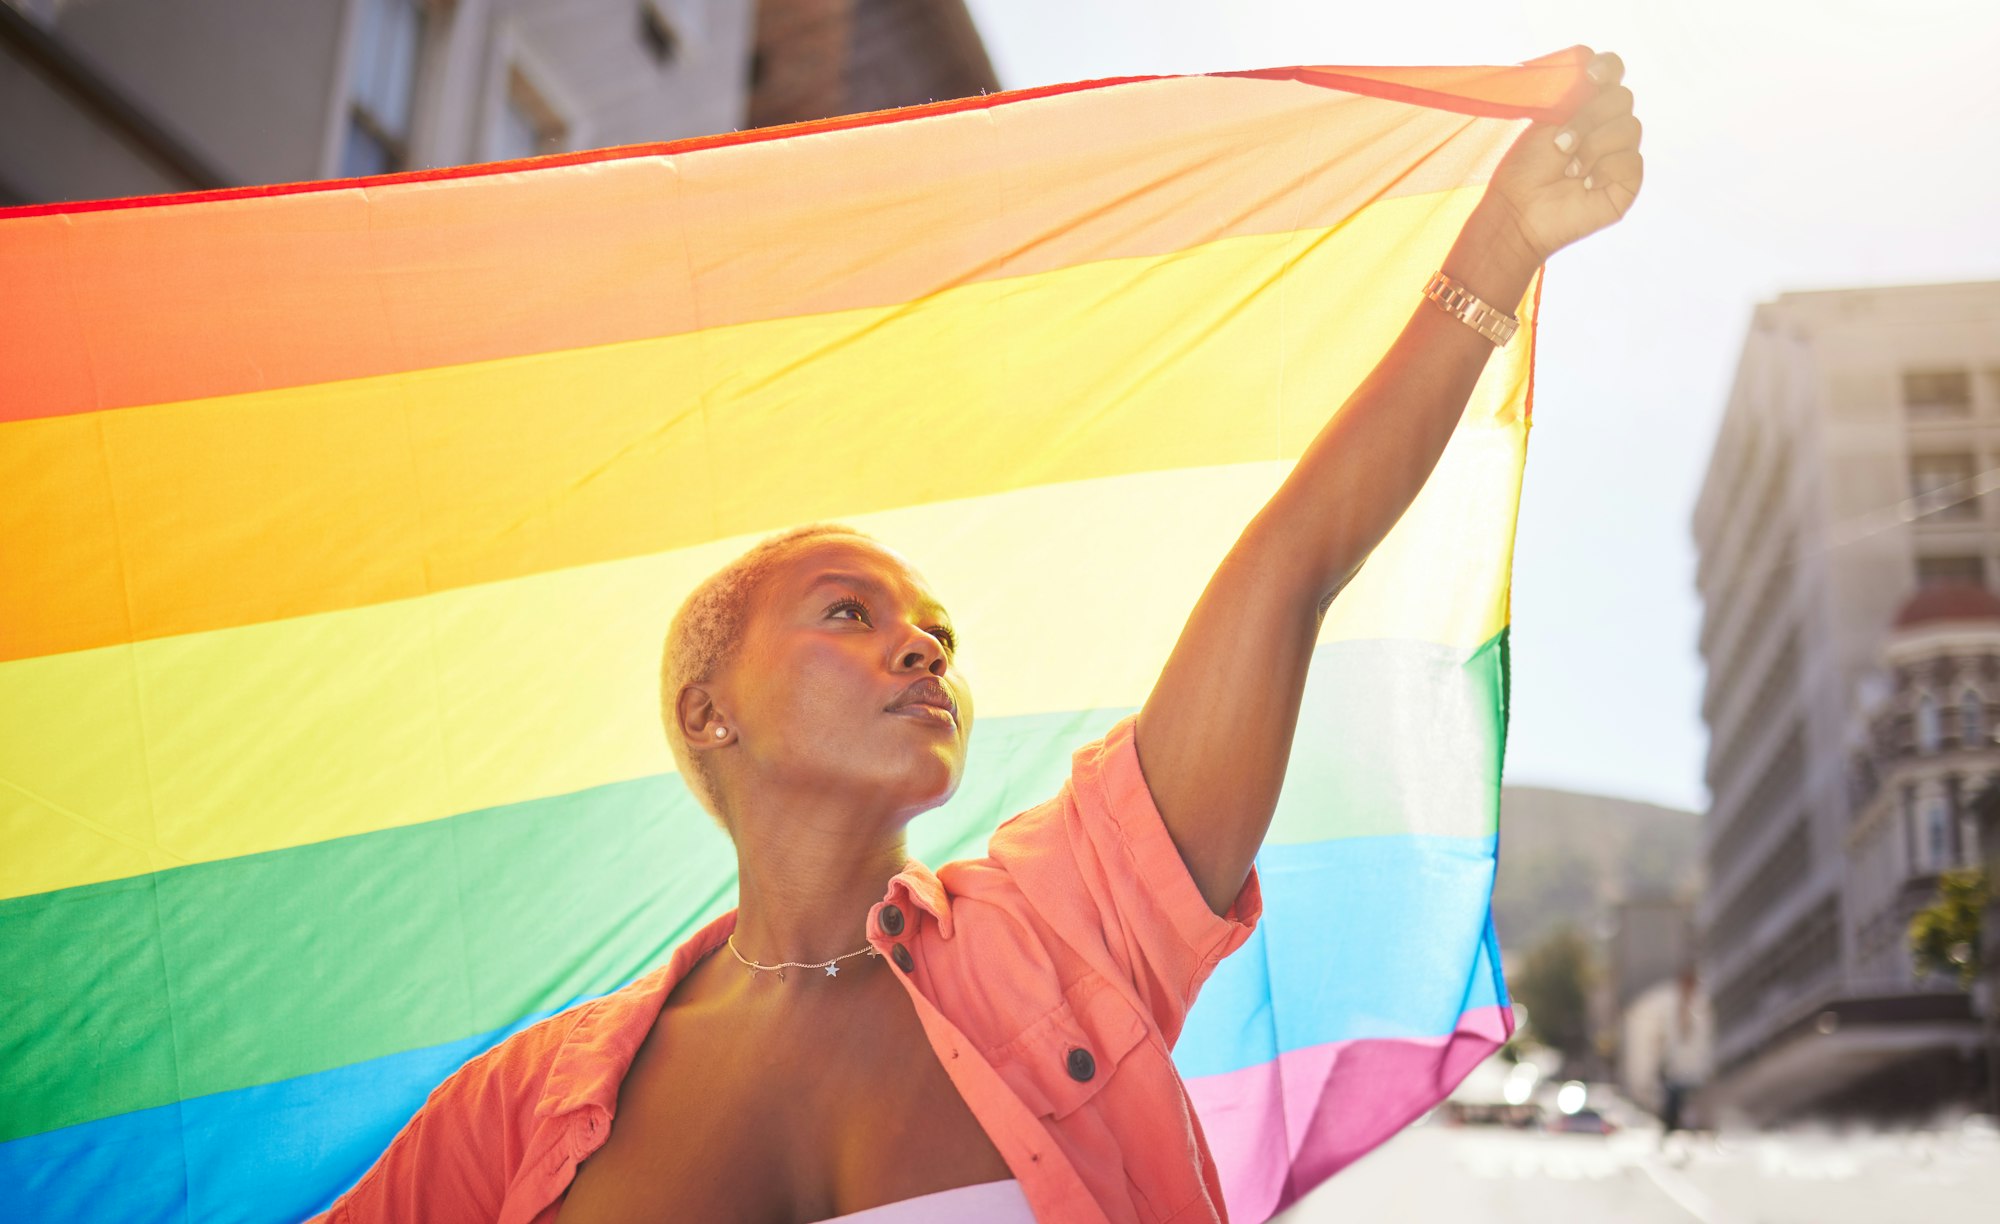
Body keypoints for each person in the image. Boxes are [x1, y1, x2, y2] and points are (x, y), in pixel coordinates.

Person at [317, 50, 1643, 1224]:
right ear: (706, 711)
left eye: (937, 632)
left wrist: (1494, 258)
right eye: (852, 611)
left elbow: (1289, 573)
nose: (923, 649)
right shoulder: (521, 1106)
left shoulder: (1057, 941)